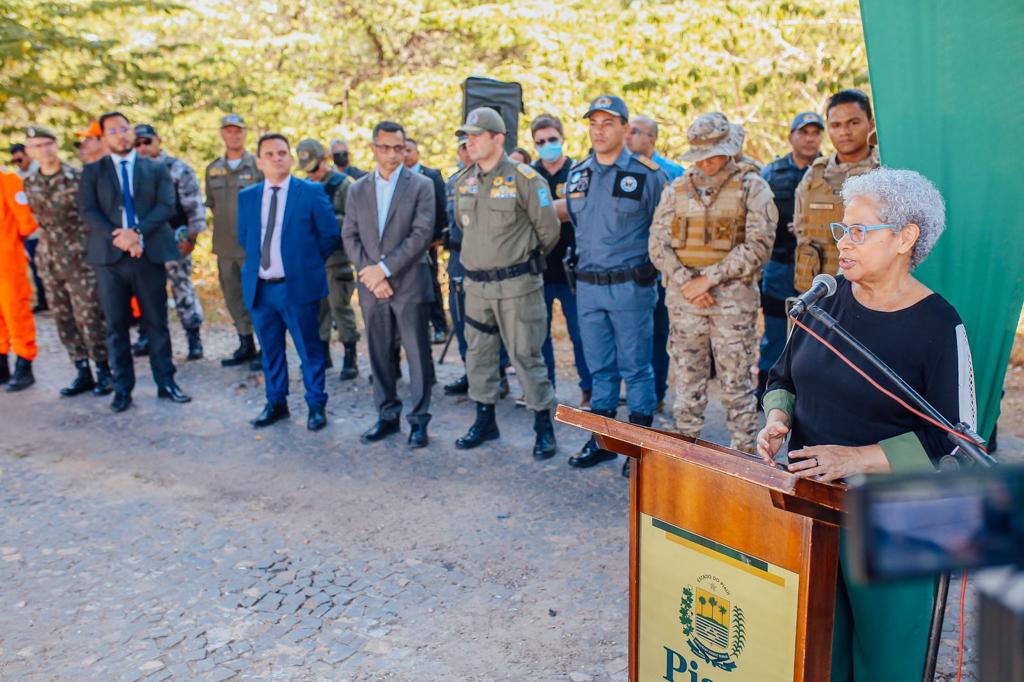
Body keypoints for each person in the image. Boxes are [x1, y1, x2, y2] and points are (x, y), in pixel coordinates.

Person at [758, 168, 973, 682]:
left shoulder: (940, 326)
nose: (844, 243)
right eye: (841, 230)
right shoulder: (823, 302)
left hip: (893, 523)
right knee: (817, 651)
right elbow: (782, 375)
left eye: (859, 230)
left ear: (905, 238)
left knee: (887, 663)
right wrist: (777, 418)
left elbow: (955, 442)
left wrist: (856, 459)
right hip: (812, 505)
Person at [649, 112, 776, 453]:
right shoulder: (676, 188)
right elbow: (657, 243)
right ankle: (685, 455)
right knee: (688, 382)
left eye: (713, 154)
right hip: (685, 300)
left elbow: (760, 245)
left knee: (736, 385)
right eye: (699, 156)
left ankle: (747, 456)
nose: (705, 163)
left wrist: (708, 279)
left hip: (732, 303)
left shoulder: (753, 186)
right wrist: (686, 282)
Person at [565, 96, 668, 476]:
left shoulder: (647, 176)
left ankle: (638, 449)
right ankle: (603, 440)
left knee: (637, 367)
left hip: (630, 288)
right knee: (599, 368)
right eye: (593, 122)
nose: (599, 130)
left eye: (608, 123)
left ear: (626, 129)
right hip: (588, 289)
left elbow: (663, 233)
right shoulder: (577, 175)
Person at [452, 107, 561, 459]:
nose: (469, 142)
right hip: (476, 288)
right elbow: (463, 227)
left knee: (527, 356)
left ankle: (543, 427)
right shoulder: (464, 181)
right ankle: (485, 420)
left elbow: (548, 231)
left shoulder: (525, 178)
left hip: (517, 286)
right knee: (479, 357)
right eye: (466, 136)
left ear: (497, 139)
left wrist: (519, 261)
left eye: (476, 135)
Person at [77, 111, 191, 412]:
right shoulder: (92, 172)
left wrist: (137, 232)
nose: (121, 134)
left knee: (157, 323)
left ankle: (166, 382)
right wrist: (121, 236)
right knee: (116, 326)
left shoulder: (155, 168)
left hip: (148, 254)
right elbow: (88, 211)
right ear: (103, 138)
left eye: (124, 128)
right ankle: (123, 389)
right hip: (110, 258)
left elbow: (166, 206)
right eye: (113, 131)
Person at [344, 122, 437, 448]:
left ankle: (419, 421)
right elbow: (349, 236)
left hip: (409, 283)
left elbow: (421, 235)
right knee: (380, 354)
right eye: (385, 148)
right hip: (372, 287)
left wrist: (384, 269)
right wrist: (371, 274)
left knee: (417, 355)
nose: (393, 154)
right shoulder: (357, 189)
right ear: (373, 148)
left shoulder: (422, 185)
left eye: (398, 148)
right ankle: (386, 416)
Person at [239, 133, 339, 431]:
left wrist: (304, 264)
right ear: (259, 161)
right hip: (261, 287)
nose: (276, 158)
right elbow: (246, 238)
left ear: (291, 158)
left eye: (282, 152)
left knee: (309, 348)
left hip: (297, 287)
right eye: (269, 154)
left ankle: (316, 404)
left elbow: (330, 235)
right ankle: (276, 402)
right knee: (270, 350)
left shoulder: (309, 192)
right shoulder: (247, 197)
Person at [22, 124, 113, 396]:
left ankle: (104, 370)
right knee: (63, 318)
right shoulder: (30, 182)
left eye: (47, 144)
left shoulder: (79, 176)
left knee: (90, 316)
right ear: (29, 151)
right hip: (49, 259)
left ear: (55, 145)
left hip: (80, 257)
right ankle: (81, 370)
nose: (43, 150)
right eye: (36, 146)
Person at [755, 112, 824, 402]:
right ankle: (767, 387)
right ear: (791, 136)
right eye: (803, 132)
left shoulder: (830, 171)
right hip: (780, 265)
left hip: (821, 268)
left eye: (815, 132)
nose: (809, 138)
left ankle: (811, 389)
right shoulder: (771, 173)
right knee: (774, 329)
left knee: (818, 331)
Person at [529, 113, 591, 408]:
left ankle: (588, 390)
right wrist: (558, 208)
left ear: (562, 139)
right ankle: (546, 390)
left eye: (552, 139)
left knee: (581, 337)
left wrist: (540, 210)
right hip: (537, 270)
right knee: (539, 338)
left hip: (572, 271)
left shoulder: (578, 172)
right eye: (540, 141)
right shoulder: (527, 174)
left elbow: (578, 210)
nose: (547, 145)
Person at [793, 88, 880, 292]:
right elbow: (801, 229)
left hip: (869, 292)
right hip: (820, 292)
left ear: (871, 124)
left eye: (854, 122)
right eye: (836, 125)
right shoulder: (814, 175)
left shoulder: (884, 173)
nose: (844, 132)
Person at [133, 124, 205, 360]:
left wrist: (191, 238)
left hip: (173, 238)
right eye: (137, 143)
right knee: (145, 292)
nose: (142, 147)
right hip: (143, 242)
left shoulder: (177, 168)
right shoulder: (130, 171)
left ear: (158, 141)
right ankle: (148, 336)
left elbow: (193, 206)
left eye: (147, 141)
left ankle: (193, 336)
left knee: (181, 287)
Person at [625, 115, 678, 411]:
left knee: (659, 334)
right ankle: (637, 390)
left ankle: (656, 393)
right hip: (630, 272)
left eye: (636, 132)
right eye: (628, 131)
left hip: (662, 272)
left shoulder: (672, 172)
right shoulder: (621, 171)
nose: (629, 136)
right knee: (633, 335)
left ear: (652, 139)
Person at [296, 138, 360, 380]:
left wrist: (325, 221)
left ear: (325, 160)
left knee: (340, 307)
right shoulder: (302, 186)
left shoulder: (344, 185)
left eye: (315, 166)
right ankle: (322, 354)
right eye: (308, 168)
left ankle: (350, 355)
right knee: (318, 309)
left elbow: (355, 221)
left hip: (338, 257)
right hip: (313, 259)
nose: (313, 173)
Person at [206, 114, 264, 368]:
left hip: (252, 247)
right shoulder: (213, 169)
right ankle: (245, 343)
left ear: (245, 133)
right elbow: (211, 204)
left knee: (258, 298)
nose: (234, 135)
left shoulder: (257, 167)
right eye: (229, 131)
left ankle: (266, 347)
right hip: (224, 247)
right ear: (222, 134)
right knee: (233, 297)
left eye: (238, 131)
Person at [403, 137, 449, 344]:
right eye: (401, 150)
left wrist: (438, 238)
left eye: (408, 150)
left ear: (417, 152)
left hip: (427, 242)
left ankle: (439, 326)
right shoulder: (395, 177)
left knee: (430, 284)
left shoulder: (431, 176)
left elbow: (442, 208)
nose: (404, 154)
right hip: (403, 243)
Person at [0, 164, 39, 391]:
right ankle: (2, 361)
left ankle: (25, 363)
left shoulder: (8, 178)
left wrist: (11, 243)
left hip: (7, 260)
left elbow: (26, 222)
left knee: (16, 312)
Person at [10, 143, 46, 313]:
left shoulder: (40, 170)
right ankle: (43, 300)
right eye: (15, 160)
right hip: (28, 234)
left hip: (42, 229)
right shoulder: (15, 176)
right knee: (35, 267)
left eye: (20, 159)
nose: (18, 163)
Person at [626, 115, 684, 180]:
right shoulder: (619, 166)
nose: (627, 137)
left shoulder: (675, 172)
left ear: (652, 139)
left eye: (634, 132)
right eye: (626, 132)